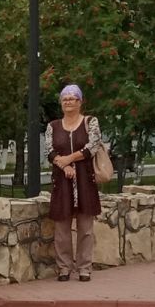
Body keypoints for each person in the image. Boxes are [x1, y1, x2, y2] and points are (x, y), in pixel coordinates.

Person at [48, 85, 103, 282]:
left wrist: (69, 159)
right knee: (62, 229)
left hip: (85, 180)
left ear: (80, 102)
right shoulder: (53, 126)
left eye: (72, 98)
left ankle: (84, 267)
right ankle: (64, 268)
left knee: (85, 228)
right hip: (62, 182)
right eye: (65, 99)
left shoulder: (90, 122)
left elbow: (92, 146)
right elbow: (50, 151)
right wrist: (64, 166)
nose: (68, 102)